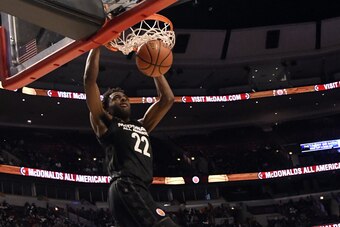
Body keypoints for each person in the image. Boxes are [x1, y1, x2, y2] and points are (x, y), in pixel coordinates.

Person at [83, 47, 179, 227]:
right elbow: (89, 81)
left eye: (124, 97)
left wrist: (155, 70)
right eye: (116, 98)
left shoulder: (141, 125)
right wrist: (96, 45)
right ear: (106, 107)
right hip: (126, 185)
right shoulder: (105, 122)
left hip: (137, 189)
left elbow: (167, 99)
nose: (123, 99)